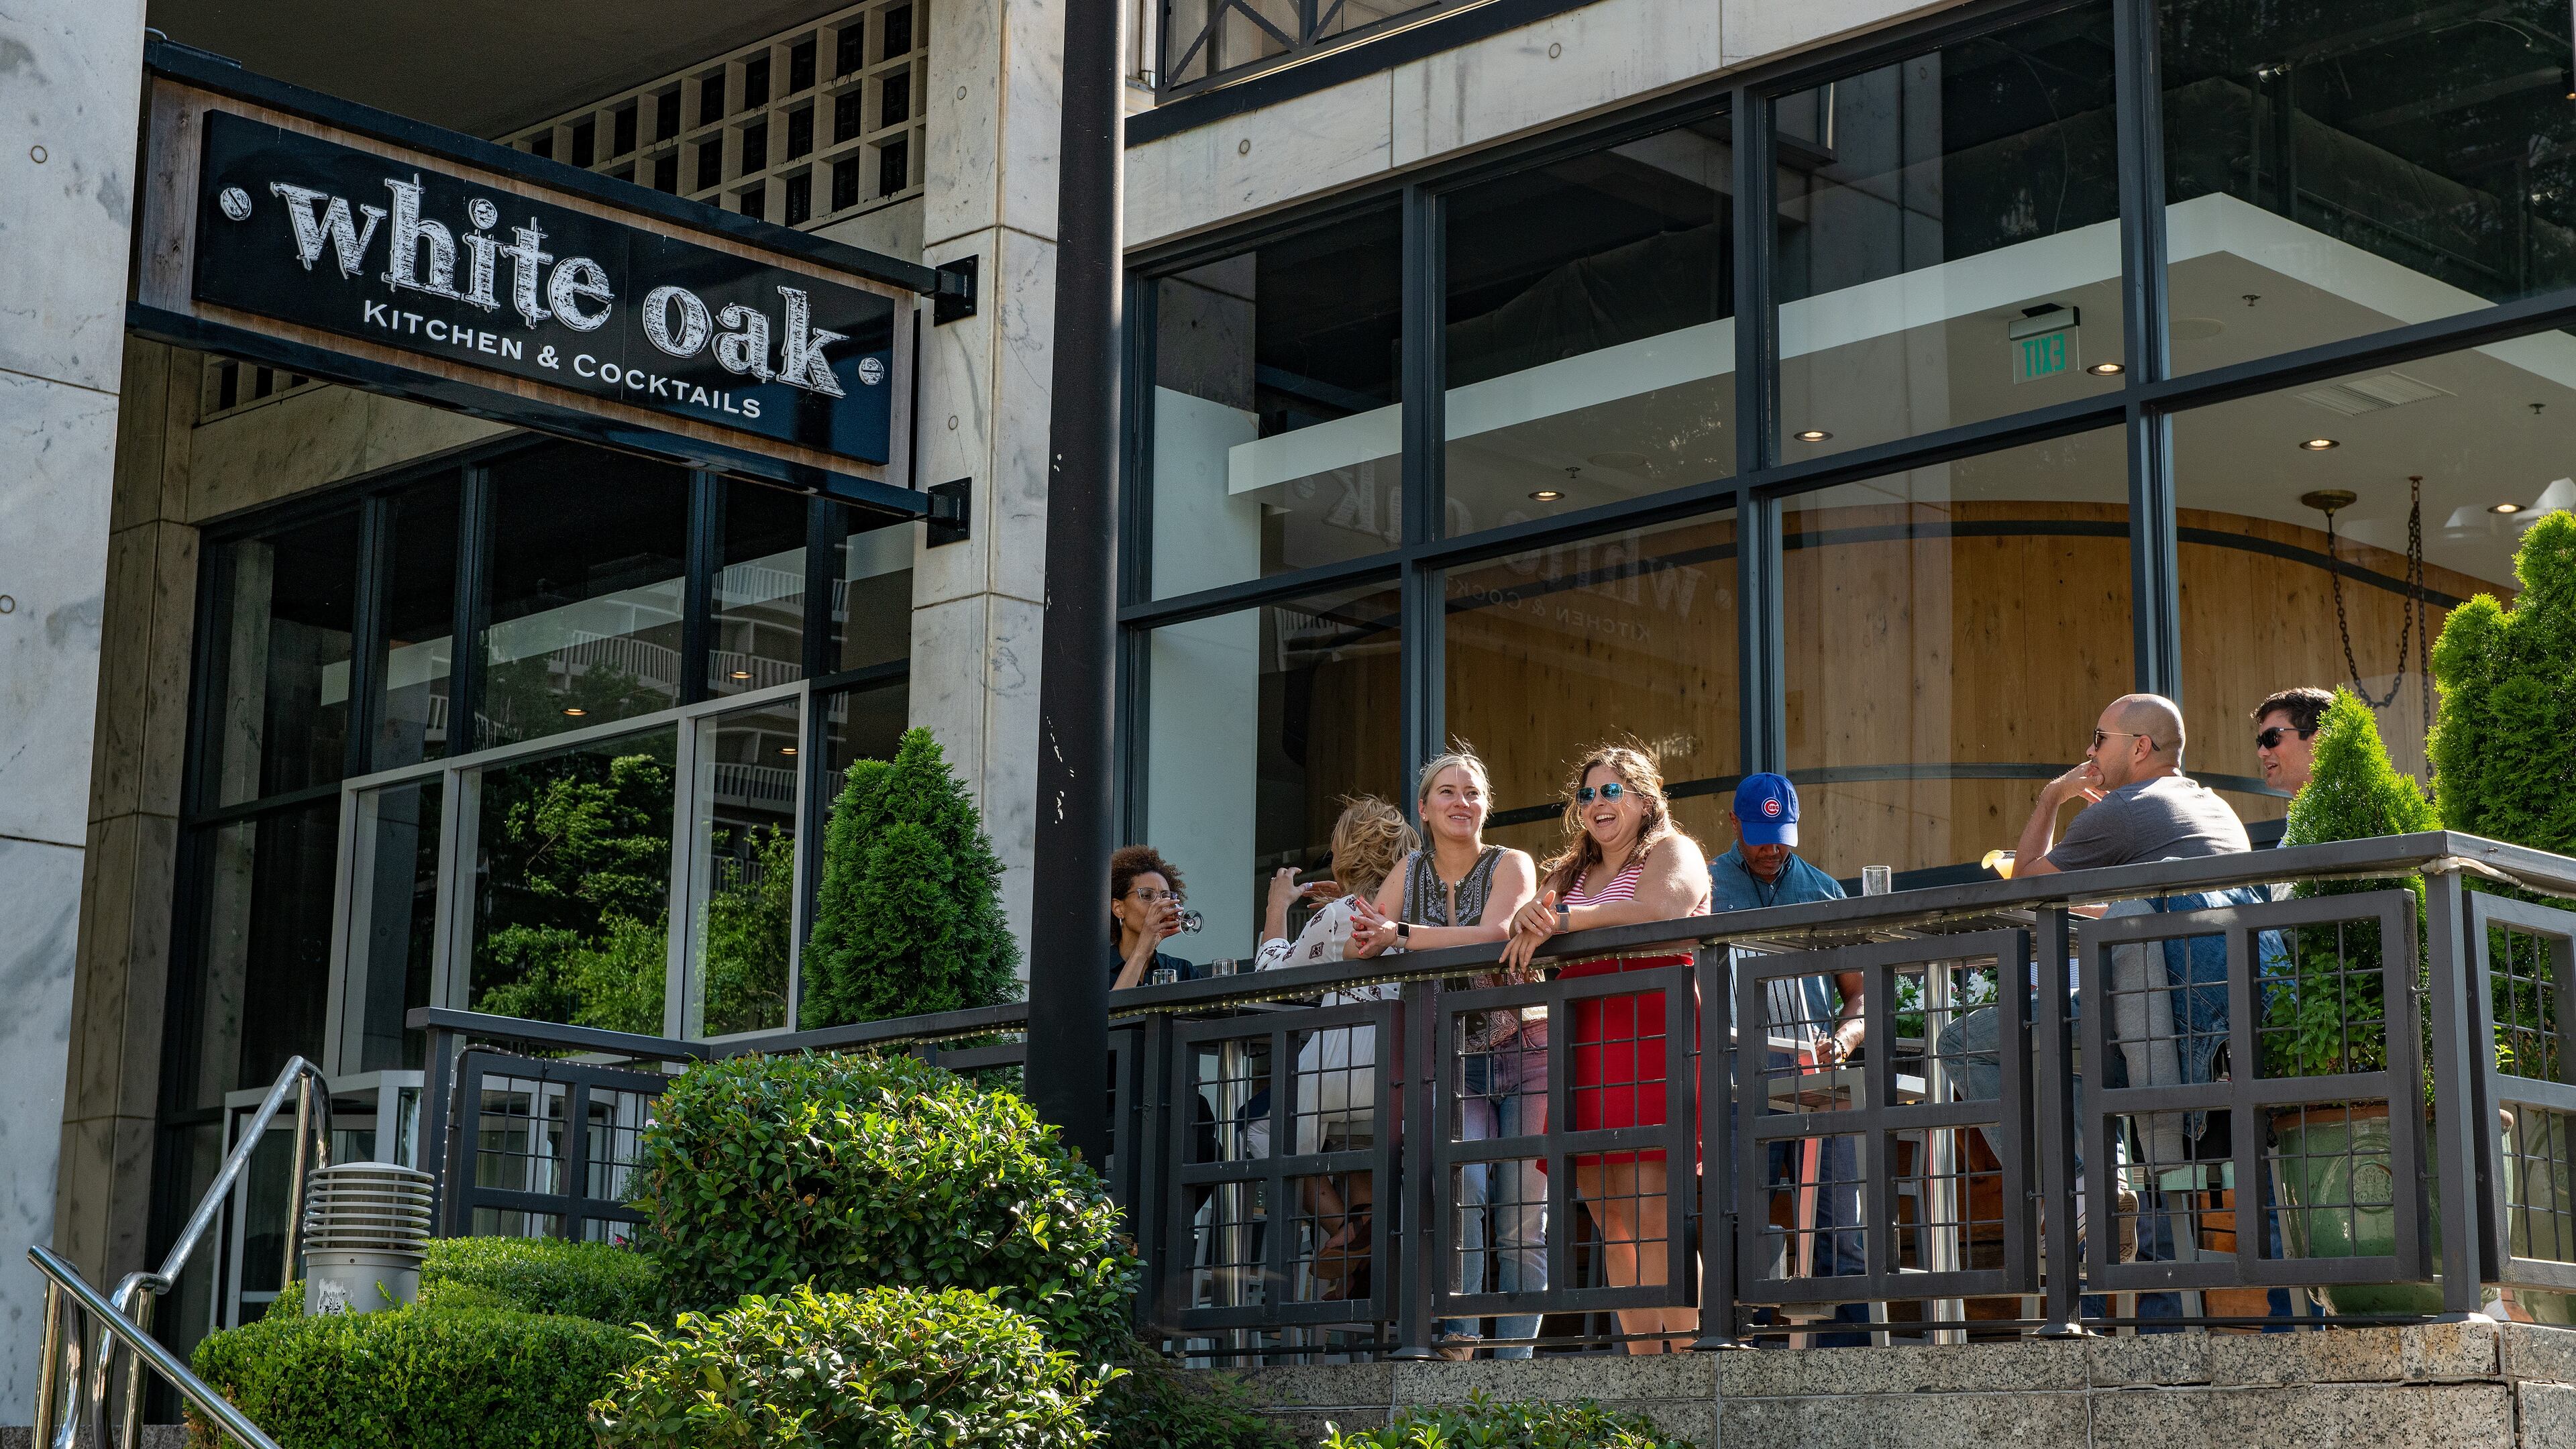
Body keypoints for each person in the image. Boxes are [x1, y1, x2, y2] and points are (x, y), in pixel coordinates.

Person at [1499, 745, 1711, 1354]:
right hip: (1584, 1036)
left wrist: (1564, 921)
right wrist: (1534, 921)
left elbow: (1661, 908)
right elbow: (1526, 921)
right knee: (1609, 1219)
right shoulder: (1568, 874)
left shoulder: (1674, 850)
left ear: (1645, 800)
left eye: (1612, 791)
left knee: (1654, 1216)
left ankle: (1693, 1364)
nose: (1597, 803)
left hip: (1650, 1031)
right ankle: (1645, 1370)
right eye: (1587, 794)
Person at [1347, 748, 1542, 1359]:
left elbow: (1497, 933)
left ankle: (1515, 1367)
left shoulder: (1512, 862)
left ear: (1487, 806)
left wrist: (1400, 936)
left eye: (1474, 793)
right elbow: (1363, 944)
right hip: (1452, 1056)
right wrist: (1364, 931)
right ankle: (1459, 1340)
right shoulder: (1408, 871)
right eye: (1448, 793)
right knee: (1465, 1189)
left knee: (1521, 1214)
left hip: (1524, 1047)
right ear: (1426, 809)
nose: (1463, 803)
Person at [1711, 773, 1870, 1344]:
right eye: (1758, 835)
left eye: (1781, 835)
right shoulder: (1705, 887)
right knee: (1735, 1229)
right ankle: (1733, 1355)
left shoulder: (1823, 891)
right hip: (1732, 1084)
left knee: (1839, 1228)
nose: (1771, 847)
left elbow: (1861, 991)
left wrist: (1847, 1039)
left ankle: (1850, 1363)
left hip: (1815, 1082)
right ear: (1734, 824)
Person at [1252, 796, 1419, 1301]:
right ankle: (1365, 1246)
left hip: (1340, 1069)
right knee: (1356, 1144)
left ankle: (1344, 1229)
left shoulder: (1339, 915)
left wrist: (1277, 906)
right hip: (1405, 1076)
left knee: (1260, 1128)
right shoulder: (1419, 912)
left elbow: (1270, 976)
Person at [1110, 844, 1196, 991]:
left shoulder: (1182, 970)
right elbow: (1114, 1013)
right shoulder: (1095, 970)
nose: (1159, 904)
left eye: (1165, 897)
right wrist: (1141, 952)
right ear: (1119, 909)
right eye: (1147, 896)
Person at [2251, 686, 2332, 796]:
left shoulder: (2353, 807)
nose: (2261, 752)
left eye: (2271, 737)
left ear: (2319, 741)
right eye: (2260, 742)